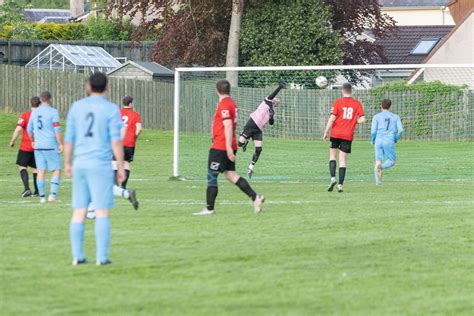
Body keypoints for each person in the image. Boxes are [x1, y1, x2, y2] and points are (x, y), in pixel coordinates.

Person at [64, 72, 125, 266]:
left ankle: (77, 256)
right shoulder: (111, 109)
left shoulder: (76, 107)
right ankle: (102, 258)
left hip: (80, 163)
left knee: (79, 210)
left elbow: (68, 139)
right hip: (100, 164)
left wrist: (67, 163)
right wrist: (121, 166)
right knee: (102, 211)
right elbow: (116, 141)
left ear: (88, 86)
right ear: (107, 87)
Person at [194, 80, 265, 216]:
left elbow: (227, 126)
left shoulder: (225, 105)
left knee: (212, 175)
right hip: (226, 144)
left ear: (217, 91)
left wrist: (227, 148)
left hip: (221, 146)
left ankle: (209, 209)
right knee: (230, 174)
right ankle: (255, 198)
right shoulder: (231, 103)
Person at [322, 83, 365, 192]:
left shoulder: (337, 102)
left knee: (332, 156)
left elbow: (332, 118)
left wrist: (326, 132)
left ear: (342, 91)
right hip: (348, 135)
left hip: (335, 133)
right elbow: (363, 120)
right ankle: (340, 185)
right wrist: (354, 121)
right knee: (342, 159)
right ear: (351, 91)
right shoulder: (357, 104)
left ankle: (332, 178)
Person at [27, 91, 63, 203]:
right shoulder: (53, 112)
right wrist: (60, 143)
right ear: (50, 99)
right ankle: (52, 195)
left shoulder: (34, 112)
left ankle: (42, 197)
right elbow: (57, 129)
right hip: (51, 145)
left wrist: (33, 141)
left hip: (38, 146)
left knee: (40, 171)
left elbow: (29, 129)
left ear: (41, 100)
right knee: (56, 170)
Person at [238, 96, 280, 178]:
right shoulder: (265, 103)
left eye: (277, 102)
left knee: (259, 149)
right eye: (275, 99)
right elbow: (271, 96)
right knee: (239, 143)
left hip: (258, 130)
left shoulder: (272, 111)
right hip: (251, 125)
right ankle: (245, 142)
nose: (276, 101)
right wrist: (280, 87)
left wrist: (271, 117)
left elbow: (271, 123)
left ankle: (250, 167)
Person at [9, 97, 41, 197]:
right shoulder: (42, 116)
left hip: (26, 146)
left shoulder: (25, 115)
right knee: (36, 168)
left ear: (30, 104)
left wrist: (12, 141)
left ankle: (27, 189)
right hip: (38, 146)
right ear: (39, 105)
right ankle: (37, 191)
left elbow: (18, 129)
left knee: (22, 166)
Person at [371, 99, 404, 185]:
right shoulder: (395, 117)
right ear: (390, 106)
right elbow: (400, 130)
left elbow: (373, 132)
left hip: (378, 140)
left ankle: (378, 183)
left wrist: (373, 140)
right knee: (392, 161)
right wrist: (396, 138)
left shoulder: (376, 117)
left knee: (378, 160)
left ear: (381, 106)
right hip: (389, 140)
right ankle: (380, 167)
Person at [113, 96, 142, 189]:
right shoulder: (135, 114)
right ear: (130, 103)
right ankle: (123, 186)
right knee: (126, 163)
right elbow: (139, 128)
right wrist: (134, 137)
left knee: (115, 163)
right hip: (130, 143)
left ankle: (115, 184)